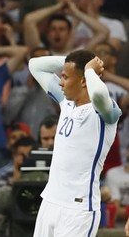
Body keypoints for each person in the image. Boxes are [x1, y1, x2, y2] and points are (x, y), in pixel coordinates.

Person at [29, 50, 122, 236]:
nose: (60, 82)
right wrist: (77, 63)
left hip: (79, 209)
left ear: (83, 81)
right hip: (50, 201)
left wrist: (88, 70)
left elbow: (99, 96)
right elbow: (35, 65)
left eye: (65, 77)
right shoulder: (66, 101)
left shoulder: (105, 112)